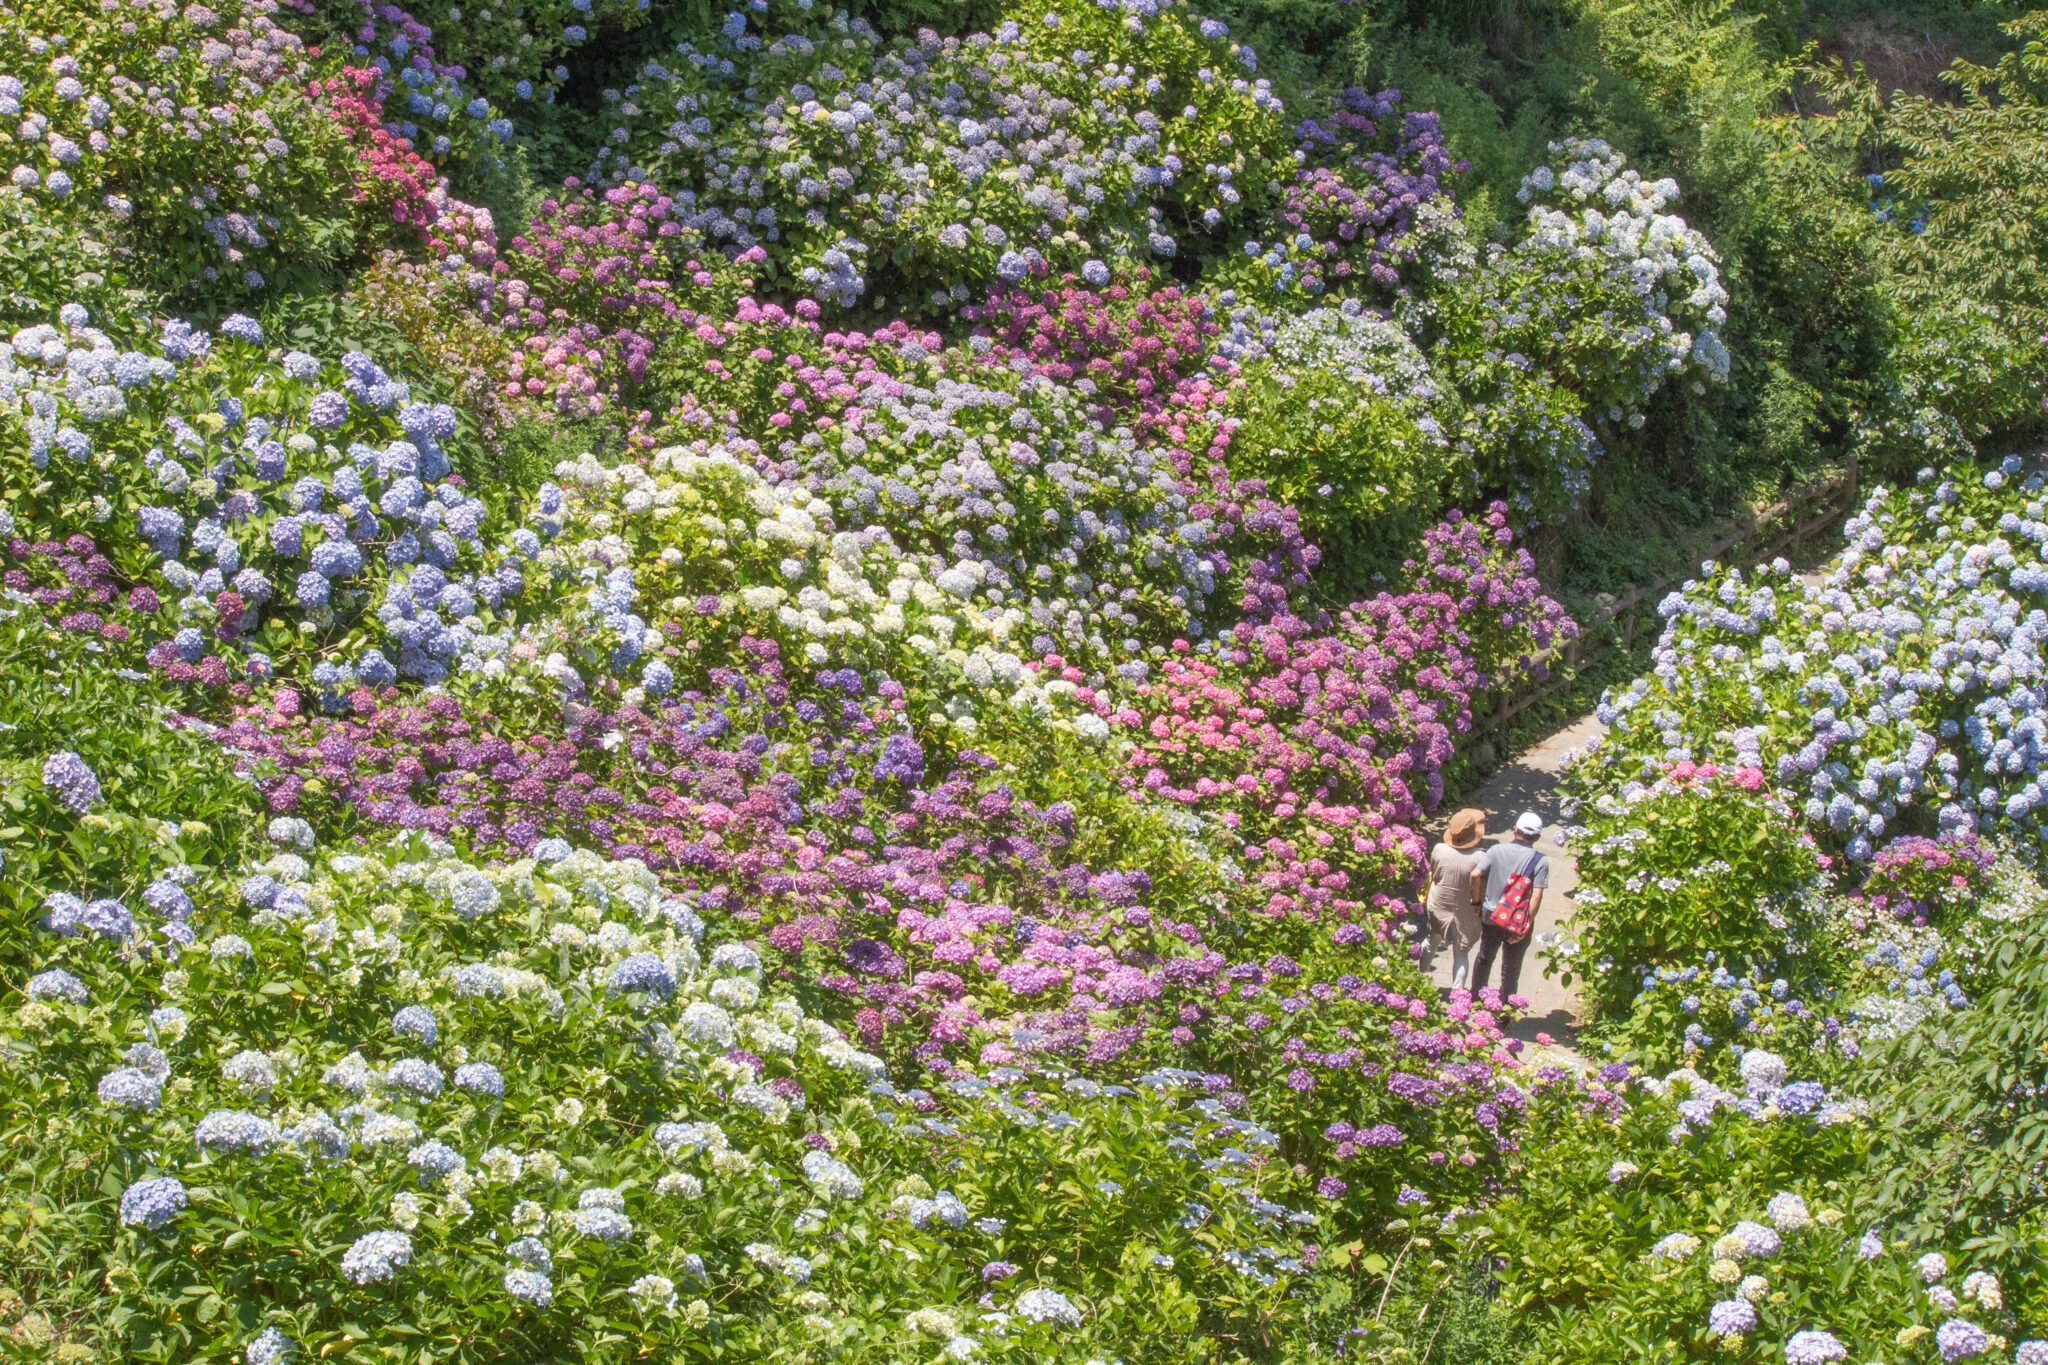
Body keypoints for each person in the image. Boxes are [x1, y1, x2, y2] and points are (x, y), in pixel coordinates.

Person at [1468, 810, 1548, 999]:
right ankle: (1504, 1014)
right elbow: (1536, 896)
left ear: (1514, 830)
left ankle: (1476, 999)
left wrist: (1476, 902)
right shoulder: (1540, 861)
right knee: (1510, 969)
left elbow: (1475, 875)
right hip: (1517, 920)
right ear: (1536, 837)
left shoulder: (1496, 850)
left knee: (1484, 958)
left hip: (1491, 916)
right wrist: (1526, 924)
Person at [1423, 809, 1486, 987]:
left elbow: (1434, 874)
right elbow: (1479, 886)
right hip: (1465, 908)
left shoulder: (1439, 849)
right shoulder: (1479, 857)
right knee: (1461, 953)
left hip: (1439, 903)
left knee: (1431, 941)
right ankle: (1457, 994)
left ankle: (1421, 978)